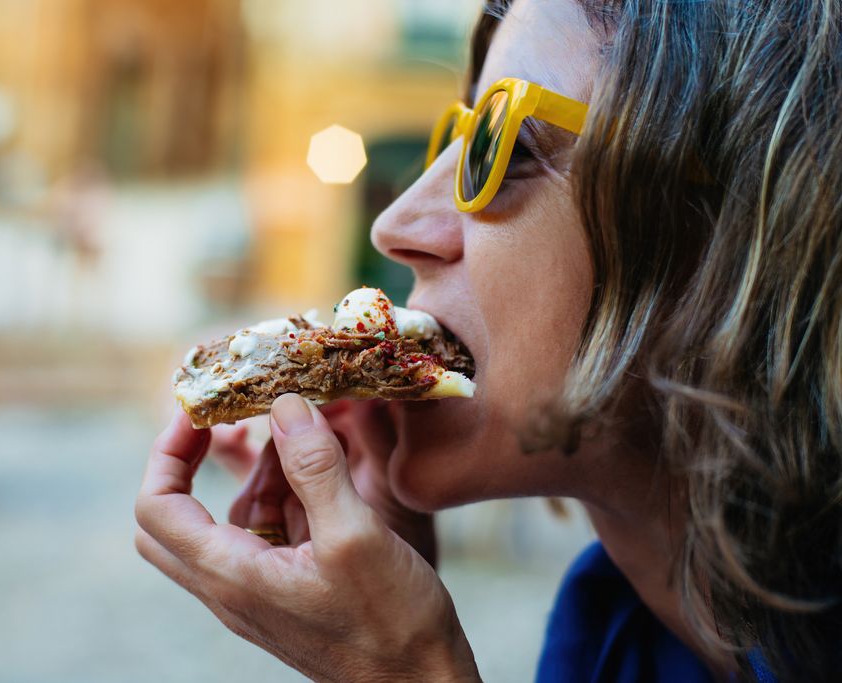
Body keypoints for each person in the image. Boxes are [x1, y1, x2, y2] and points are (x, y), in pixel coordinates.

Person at [134, 0, 842, 680]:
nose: (397, 225)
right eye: (453, 139)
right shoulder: (607, 639)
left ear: (749, 232)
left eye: (503, 149)